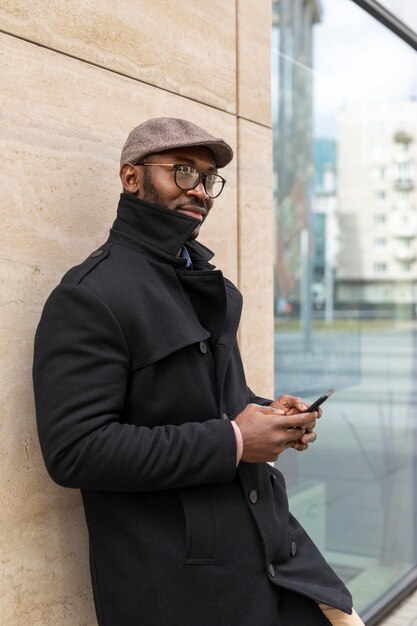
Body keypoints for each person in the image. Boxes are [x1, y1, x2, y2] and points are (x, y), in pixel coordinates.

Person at [33, 117, 364, 626]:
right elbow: (76, 451)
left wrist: (269, 415)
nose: (201, 190)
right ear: (131, 177)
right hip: (180, 587)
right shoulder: (89, 295)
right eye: (182, 171)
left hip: (271, 553)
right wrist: (234, 440)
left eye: (208, 179)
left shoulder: (205, 284)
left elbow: (213, 401)